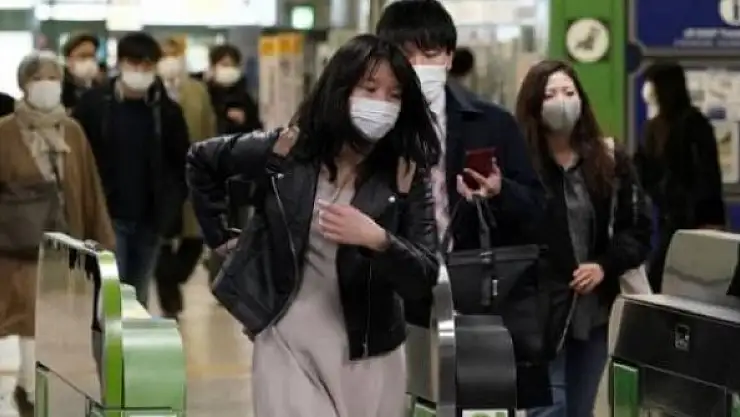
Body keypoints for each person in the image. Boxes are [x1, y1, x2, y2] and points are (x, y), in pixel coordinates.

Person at [187, 34, 440, 417]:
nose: (382, 104)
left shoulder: (406, 174)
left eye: (394, 95)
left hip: (370, 353)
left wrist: (378, 240)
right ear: (340, 90)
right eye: (370, 89)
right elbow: (202, 161)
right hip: (287, 342)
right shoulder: (289, 151)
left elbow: (424, 275)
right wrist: (220, 239)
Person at [517, 60, 652, 417]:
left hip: (593, 312)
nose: (561, 101)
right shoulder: (519, 163)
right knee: (548, 407)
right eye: (550, 94)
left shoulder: (608, 159)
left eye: (569, 92)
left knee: (582, 407)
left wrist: (604, 266)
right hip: (539, 312)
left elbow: (638, 229)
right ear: (533, 104)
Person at [375, 0, 545, 251]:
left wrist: (501, 191)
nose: (418, 65)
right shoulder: (372, 124)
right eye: (407, 55)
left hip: (472, 265)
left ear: (449, 58)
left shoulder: (492, 123)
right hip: (396, 266)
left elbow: (537, 209)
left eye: (430, 55)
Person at [0, 50, 114, 417]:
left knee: (51, 321)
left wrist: (102, 239)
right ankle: (22, 391)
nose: (47, 85)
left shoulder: (72, 131)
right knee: (22, 318)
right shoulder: (5, 132)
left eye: (53, 78)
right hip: (17, 248)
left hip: (65, 242)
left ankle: (33, 390)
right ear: (24, 84)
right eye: (39, 78)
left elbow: (90, 187)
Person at [72, 32, 191, 307]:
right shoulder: (94, 105)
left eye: (147, 65)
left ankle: (130, 336)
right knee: (112, 294)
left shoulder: (167, 112)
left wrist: (170, 208)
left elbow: (181, 163)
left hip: (150, 219)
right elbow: (80, 156)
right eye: (133, 63)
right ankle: (110, 336)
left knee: (137, 296)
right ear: (121, 63)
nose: (139, 71)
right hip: (108, 216)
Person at [635, 62, 725, 292]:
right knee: (661, 275)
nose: (647, 91)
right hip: (667, 217)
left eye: (652, 84)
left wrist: (711, 220)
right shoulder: (652, 128)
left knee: (685, 278)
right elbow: (642, 170)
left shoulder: (694, 123)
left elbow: (708, 175)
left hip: (695, 219)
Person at [155, 36, 217, 319]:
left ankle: (173, 278)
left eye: (174, 53)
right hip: (162, 178)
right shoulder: (149, 91)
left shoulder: (197, 90)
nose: (169, 59)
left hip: (193, 174)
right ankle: (169, 298)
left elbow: (208, 129)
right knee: (162, 238)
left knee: (194, 239)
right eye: (164, 54)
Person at [205, 44, 262, 134]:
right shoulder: (205, 94)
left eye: (233, 66)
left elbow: (256, 128)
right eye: (225, 65)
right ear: (213, 67)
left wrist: (244, 121)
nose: (229, 70)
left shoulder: (245, 97)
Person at [61, 33, 100, 111]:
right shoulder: (60, 88)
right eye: (83, 56)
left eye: (92, 56)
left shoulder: (101, 90)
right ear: (68, 59)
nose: (89, 61)